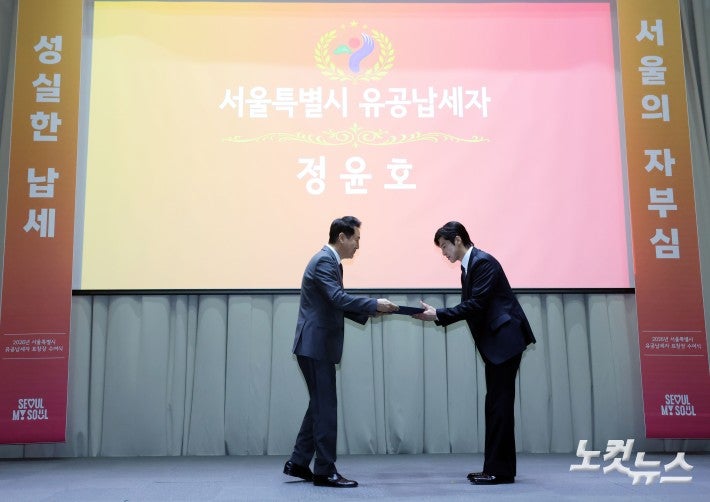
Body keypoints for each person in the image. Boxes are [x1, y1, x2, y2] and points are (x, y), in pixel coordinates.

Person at [413, 221, 535, 485]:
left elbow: (476, 304)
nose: (443, 253)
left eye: (444, 246)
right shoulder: (469, 266)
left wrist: (439, 314)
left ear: (458, 240)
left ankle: (499, 471)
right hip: (498, 344)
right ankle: (495, 468)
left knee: (499, 407)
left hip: (505, 341)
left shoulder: (483, 263)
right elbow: (473, 306)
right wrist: (439, 315)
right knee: (496, 406)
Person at [283, 216, 398, 488]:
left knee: (319, 405)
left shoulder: (330, 262)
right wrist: (373, 304)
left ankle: (298, 462)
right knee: (325, 407)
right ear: (342, 237)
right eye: (356, 238)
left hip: (315, 344)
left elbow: (334, 303)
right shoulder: (325, 261)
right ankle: (324, 470)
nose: (358, 245)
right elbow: (337, 298)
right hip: (316, 345)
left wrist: (371, 311)